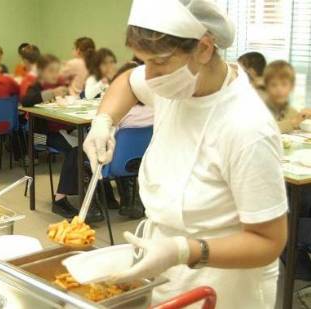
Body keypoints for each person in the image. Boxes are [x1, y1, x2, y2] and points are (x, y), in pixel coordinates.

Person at [83, 1, 288, 308]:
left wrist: (185, 251)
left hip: (223, 286)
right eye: (143, 61)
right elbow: (127, 82)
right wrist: (104, 121)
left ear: (204, 48)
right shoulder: (175, 84)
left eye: (159, 62)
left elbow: (269, 242)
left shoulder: (247, 128)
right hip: (165, 270)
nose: (149, 76)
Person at [21, 54, 103, 222]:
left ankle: (95, 194)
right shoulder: (35, 85)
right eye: (51, 71)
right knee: (75, 150)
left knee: (89, 145)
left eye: (56, 70)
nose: (55, 74)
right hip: (40, 135)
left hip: (62, 130)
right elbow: (26, 101)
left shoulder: (60, 83)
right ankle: (59, 200)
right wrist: (51, 93)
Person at [112, 61, 154, 220]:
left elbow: (110, 137)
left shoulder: (121, 112)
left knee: (80, 156)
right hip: (148, 160)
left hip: (119, 162)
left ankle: (94, 207)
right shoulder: (156, 108)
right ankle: (131, 200)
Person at [264, 60, 311, 134]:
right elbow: (265, 130)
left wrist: (305, 118)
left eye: (284, 84)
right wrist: (293, 122)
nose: (279, 89)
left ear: (292, 86)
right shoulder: (261, 109)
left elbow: (298, 125)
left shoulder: (291, 111)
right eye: (273, 85)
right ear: (266, 87)